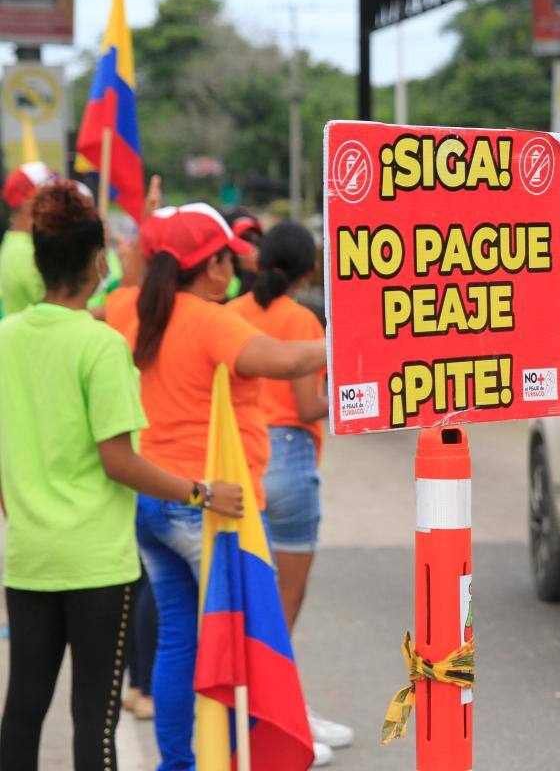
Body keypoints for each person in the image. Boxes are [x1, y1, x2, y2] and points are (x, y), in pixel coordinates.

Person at [0, 182, 243, 770]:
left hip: (30, 555)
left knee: (23, 708)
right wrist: (202, 493)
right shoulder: (102, 345)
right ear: (97, 261)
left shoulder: (5, 337)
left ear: (38, 261)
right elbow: (120, 461)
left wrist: (21, 507)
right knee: (95, 718)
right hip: (95, 565)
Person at [106, 203, 327, 770]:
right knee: (238, 647)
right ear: (210, 267)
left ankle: (178, 764)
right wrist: (362, 342)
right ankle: (232, 759)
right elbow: (284, 361)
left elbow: (130, 269)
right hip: (208, 506)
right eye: (227, 253)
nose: (237, 261)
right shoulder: (209, 319)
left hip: (153, 499)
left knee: (180, 640)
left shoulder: (127, 308)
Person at [227, 221, 355, 754]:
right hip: (289, 459)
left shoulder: (230, 314)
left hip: (237, 460)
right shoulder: (302, 319)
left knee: (246, 597)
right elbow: (307, 406)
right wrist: (354, 399)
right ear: (309, 269)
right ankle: (278, 718)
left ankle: (264, 710)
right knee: (284, 603)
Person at [0, 161, 55, 316]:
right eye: (49, 195)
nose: (56, 202)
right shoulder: (26, 252)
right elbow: (56, 313)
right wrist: (110, 311)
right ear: (26, 203)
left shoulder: (18, 242)